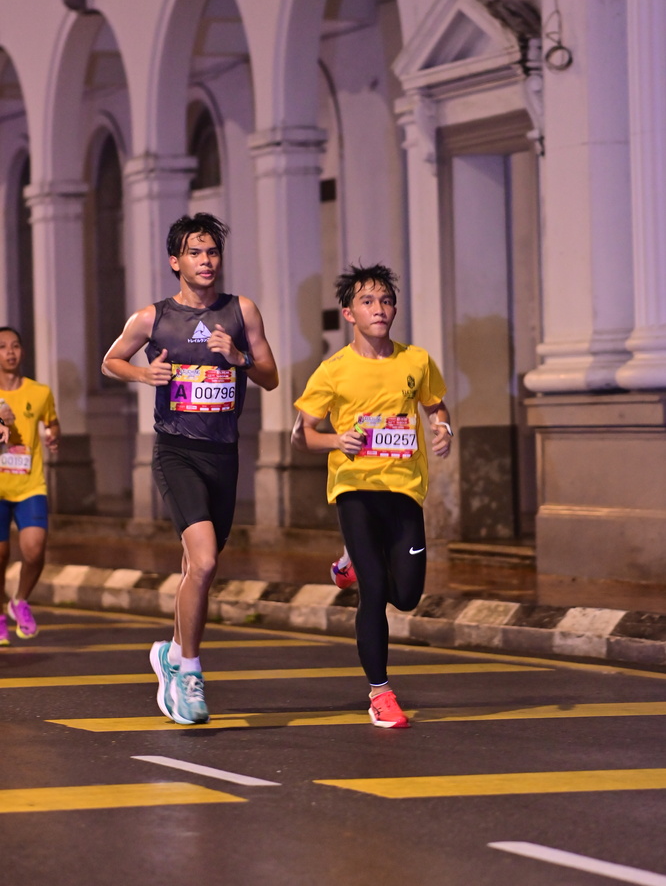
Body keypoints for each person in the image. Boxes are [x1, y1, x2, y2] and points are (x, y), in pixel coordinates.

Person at [102, 213, 278, 724]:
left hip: (224, 454)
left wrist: (239, 357)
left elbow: (269, 377)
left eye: (212, 252)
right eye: (195, 253)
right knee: (203, 562)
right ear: (175, 261)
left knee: (196, 569)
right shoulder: (152, 317)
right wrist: (144, 374)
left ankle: (172, 654)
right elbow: (110, 360)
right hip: (176, 450)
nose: (206, 261)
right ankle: (189, 670)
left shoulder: (241, 310)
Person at [292, 264, 452, 728]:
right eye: (367, 301)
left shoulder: (416, 361)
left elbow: (435, 405)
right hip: (355, 488)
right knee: (375, 590)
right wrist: (335, 440)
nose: (378, 309)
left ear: (394, 309)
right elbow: (301, 435)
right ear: (349, 313)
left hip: (404, 489)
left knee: (407, 596)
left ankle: (349, 561)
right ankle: (380, 693)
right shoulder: (333, 371)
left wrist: (443, 428)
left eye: (385, 301)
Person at [0, 327, 60, 645]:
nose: (10, 352)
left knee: (35, 550)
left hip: (29, 484)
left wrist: (53, 436)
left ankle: (19, 600)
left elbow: (52, 422)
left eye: (15, 346)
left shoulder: (40, 392)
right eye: (2, 347)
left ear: (23, 351)